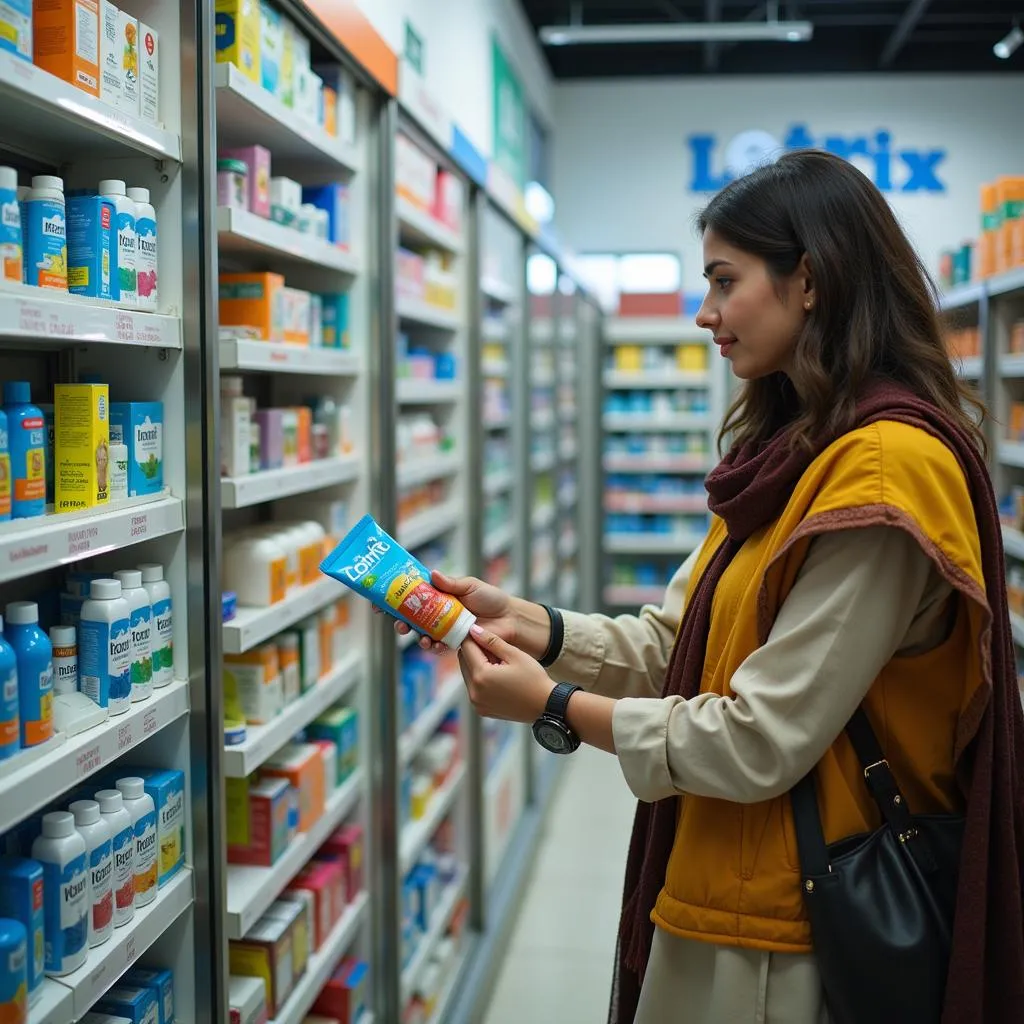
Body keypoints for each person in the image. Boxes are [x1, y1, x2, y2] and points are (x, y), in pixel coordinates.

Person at [398, 150, 1024, 1023]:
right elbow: (681, 645)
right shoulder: (799, 450)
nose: (704, 314)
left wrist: (555, 708)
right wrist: (532, 625)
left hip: (800, 926)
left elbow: (762, 735)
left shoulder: (884, 471)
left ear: (809, 279)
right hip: (729, 885)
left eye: (725, 282)